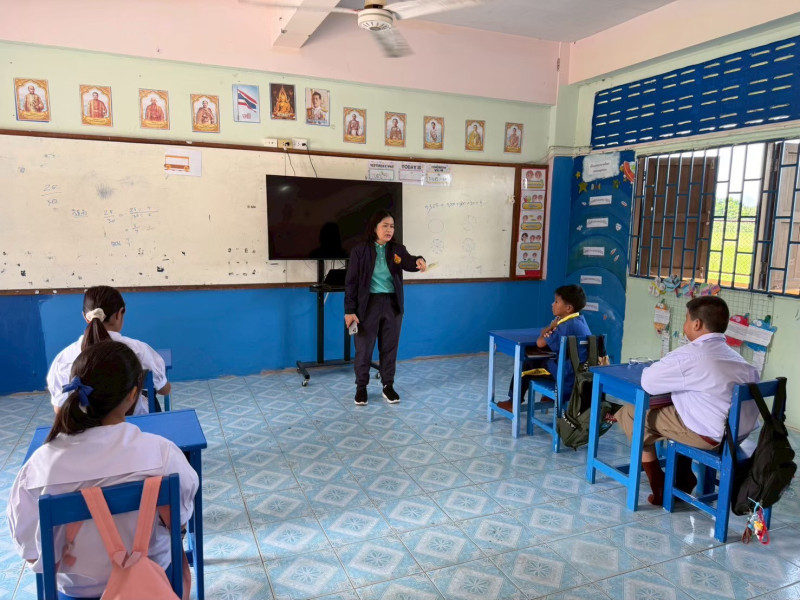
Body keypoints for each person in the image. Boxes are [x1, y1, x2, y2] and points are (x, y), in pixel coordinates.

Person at [7, 341, 198, 599]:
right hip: (153, 581)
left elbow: (30, 551)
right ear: (133, 395)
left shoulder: (39, 469)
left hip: (76, 591)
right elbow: (181, 518)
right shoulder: (162, 453)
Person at [616, 296, 760, 506]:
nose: (685, 324)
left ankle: (659, 485)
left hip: (711, 437)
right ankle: (683, 476)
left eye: (686, 319)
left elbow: (648, 383)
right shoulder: (737, 358)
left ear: (696, 324)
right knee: (683, 411)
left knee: (632, 412)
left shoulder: (690, 355)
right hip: (738, 434)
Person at [344, 210, 427, 406]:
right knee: (364, 349)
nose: (389, 230)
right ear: (375, 228)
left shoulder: (397, 249)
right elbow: (351, 282)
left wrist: (419, 260)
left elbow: (409, 261)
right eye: (385, 226)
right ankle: (361, 388)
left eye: (392, 226)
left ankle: (388, 386)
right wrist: (349, 310)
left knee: (389, 348)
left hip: (392, 304)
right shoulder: (360, 250)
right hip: (367, 306)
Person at [46, 286, 170, 415]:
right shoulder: (139, 350)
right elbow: (164, 390)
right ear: (119, 314)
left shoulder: (63, 360)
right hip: (135, 421)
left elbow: (59, 409)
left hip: (85, 425)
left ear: (85, 317)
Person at [500, 285, 591, 412]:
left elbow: (540, 342)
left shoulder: (564, 326)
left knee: (525, 366)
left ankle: (513, 402)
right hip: (581, 376)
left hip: (567, 378)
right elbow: (545, 335)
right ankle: (549, 398)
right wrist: (552, 327)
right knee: (548, 360)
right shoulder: (579, 320)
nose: (552, 304)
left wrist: (551, 327)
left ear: (568, 308)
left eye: (556, 302)